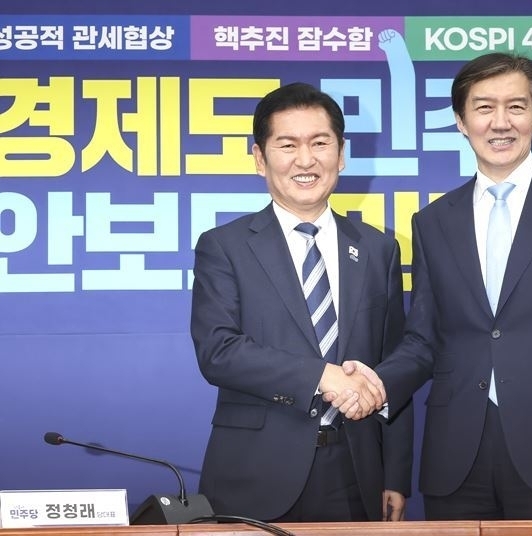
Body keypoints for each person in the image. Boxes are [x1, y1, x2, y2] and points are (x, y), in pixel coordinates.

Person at [333, 52, 532, 520]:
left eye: (516, 107)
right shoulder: (434, 221)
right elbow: (423, 339)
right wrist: (375, 383)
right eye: (483, 108)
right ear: (460, 121)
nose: (500, 122)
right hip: (456, 454)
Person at [190, 82, 413, 523]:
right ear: (260, 158)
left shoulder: (378, 250)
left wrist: (396, 473)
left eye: (320, 143)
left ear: (341, 154)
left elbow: (393, 364)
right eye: (288, 145)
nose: (306, 160)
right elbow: (218, 351)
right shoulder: (224, 246)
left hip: (356, 473)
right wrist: (323, 375)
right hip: (255, 472)